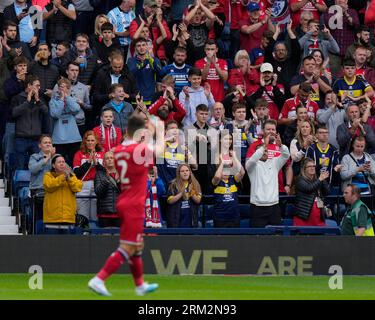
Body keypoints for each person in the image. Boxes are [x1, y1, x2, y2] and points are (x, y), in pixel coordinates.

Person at [88, 114, 164, 297]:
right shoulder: (138, 150)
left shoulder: (119, 149)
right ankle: (99, 279)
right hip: (134, 204)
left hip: (124, 199)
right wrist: (159, 130)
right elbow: (160, 151)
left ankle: (139, 285)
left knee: (137, 245)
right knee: (128, 246)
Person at [245, 127, 290, 227]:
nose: (265, 152)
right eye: (262, 151)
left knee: (276, 237)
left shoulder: (274, 163)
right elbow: (253, 159)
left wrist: (281, 145)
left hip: (274, 206)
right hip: (257, 207)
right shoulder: (252, 166)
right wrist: (264, 145)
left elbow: (286, 155)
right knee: (257, 238)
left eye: (266, 151)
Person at [12, 75, 49, 170]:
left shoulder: (40, 99)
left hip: (36, 139)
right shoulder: (17, 98)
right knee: (19, 166)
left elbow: (46, 112)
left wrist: (38, 101)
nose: (39, 88)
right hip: (21, 138)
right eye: (37, 85)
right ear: (29, 85)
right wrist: (27, 102)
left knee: (36, 166)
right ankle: (19, 185)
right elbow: (14, 113)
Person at [43, 153, 83, 234]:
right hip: (52, 218)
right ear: (53, 165)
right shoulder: (48, 175)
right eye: (59, 162)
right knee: (52, 245)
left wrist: (69, 178)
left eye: (63, 162)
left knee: (67, 245)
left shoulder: (71, 176)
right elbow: (49, 186)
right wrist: (63, 177)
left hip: (68, 218)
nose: (62, 163)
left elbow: (77, 187)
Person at [73, 130, 105, 223]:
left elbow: (105, 172)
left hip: (98, 184)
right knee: (83, 215)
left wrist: (96, 163)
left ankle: (94, 235)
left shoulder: (102, 154)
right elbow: (76, 173)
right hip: (83, 185)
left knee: (95, 216)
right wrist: (88, 162)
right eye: (88, 140)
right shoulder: (79, 154)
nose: (90, 142)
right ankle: (84, 234)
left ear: (96, 141)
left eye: (92, 140)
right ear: (85, 142)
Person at [49, 77, 82, 166]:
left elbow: (76, 109)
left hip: (73, 138)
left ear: (69, 89)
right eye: (61, 87)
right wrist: (60, 100)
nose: (63, 89)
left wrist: (67, 98)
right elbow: (55, 114)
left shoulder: (72, 99)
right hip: (59, 139)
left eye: (65, 87)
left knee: (74, 163)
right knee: (59, 164)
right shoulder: (53, 101)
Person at [28, 134, 55, 233]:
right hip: (37, 192)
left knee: (51, 220)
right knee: (37, 219)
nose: (48, 144)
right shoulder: (34, 157)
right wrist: (46, 159)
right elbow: (33, 169)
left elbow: (65, 171)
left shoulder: (56, 158)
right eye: (45, 142)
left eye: (49, 143)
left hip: (52, 192)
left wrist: (53, 158)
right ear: (40, 145)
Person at [212, 146, 245, 227]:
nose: (226, 171)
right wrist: (222, 163)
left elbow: (242, 172)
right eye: (223, 169)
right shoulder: (216, 182)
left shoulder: (233, 179)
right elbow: (216, 177)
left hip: (234, 217)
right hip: (220, 218)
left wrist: (234, 157)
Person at [293, 158, 329, 226]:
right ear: (304, 169)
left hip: (318, 216)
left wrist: (322, 179)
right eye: (309, 166)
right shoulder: (299, 179)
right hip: (304, 216)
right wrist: (320, 179)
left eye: (313, 166)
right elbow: (309, 189)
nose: (312, 168)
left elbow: (326, 191)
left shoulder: (317, 179)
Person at [166, 163, 202, 227]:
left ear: (190, 172)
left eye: (187, 170)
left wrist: (191, 193)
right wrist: (181, 193)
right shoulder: (173, 184)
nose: (185, 173)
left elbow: (198, 200)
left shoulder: (195, 184)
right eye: (182, 171)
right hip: (177, 220)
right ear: (178, 173)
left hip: (191, 220)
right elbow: (170, 201)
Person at [94, 151, 120, 228]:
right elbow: (98, 192)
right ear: (104, 162)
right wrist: (106, 181)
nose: (109, 160)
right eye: (107, 158)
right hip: (104, 214)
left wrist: (119, 182)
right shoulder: (99, 174)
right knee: (105, 239)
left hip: (119, 213)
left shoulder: (122, 174)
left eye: (111, 158)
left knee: (118, 239)